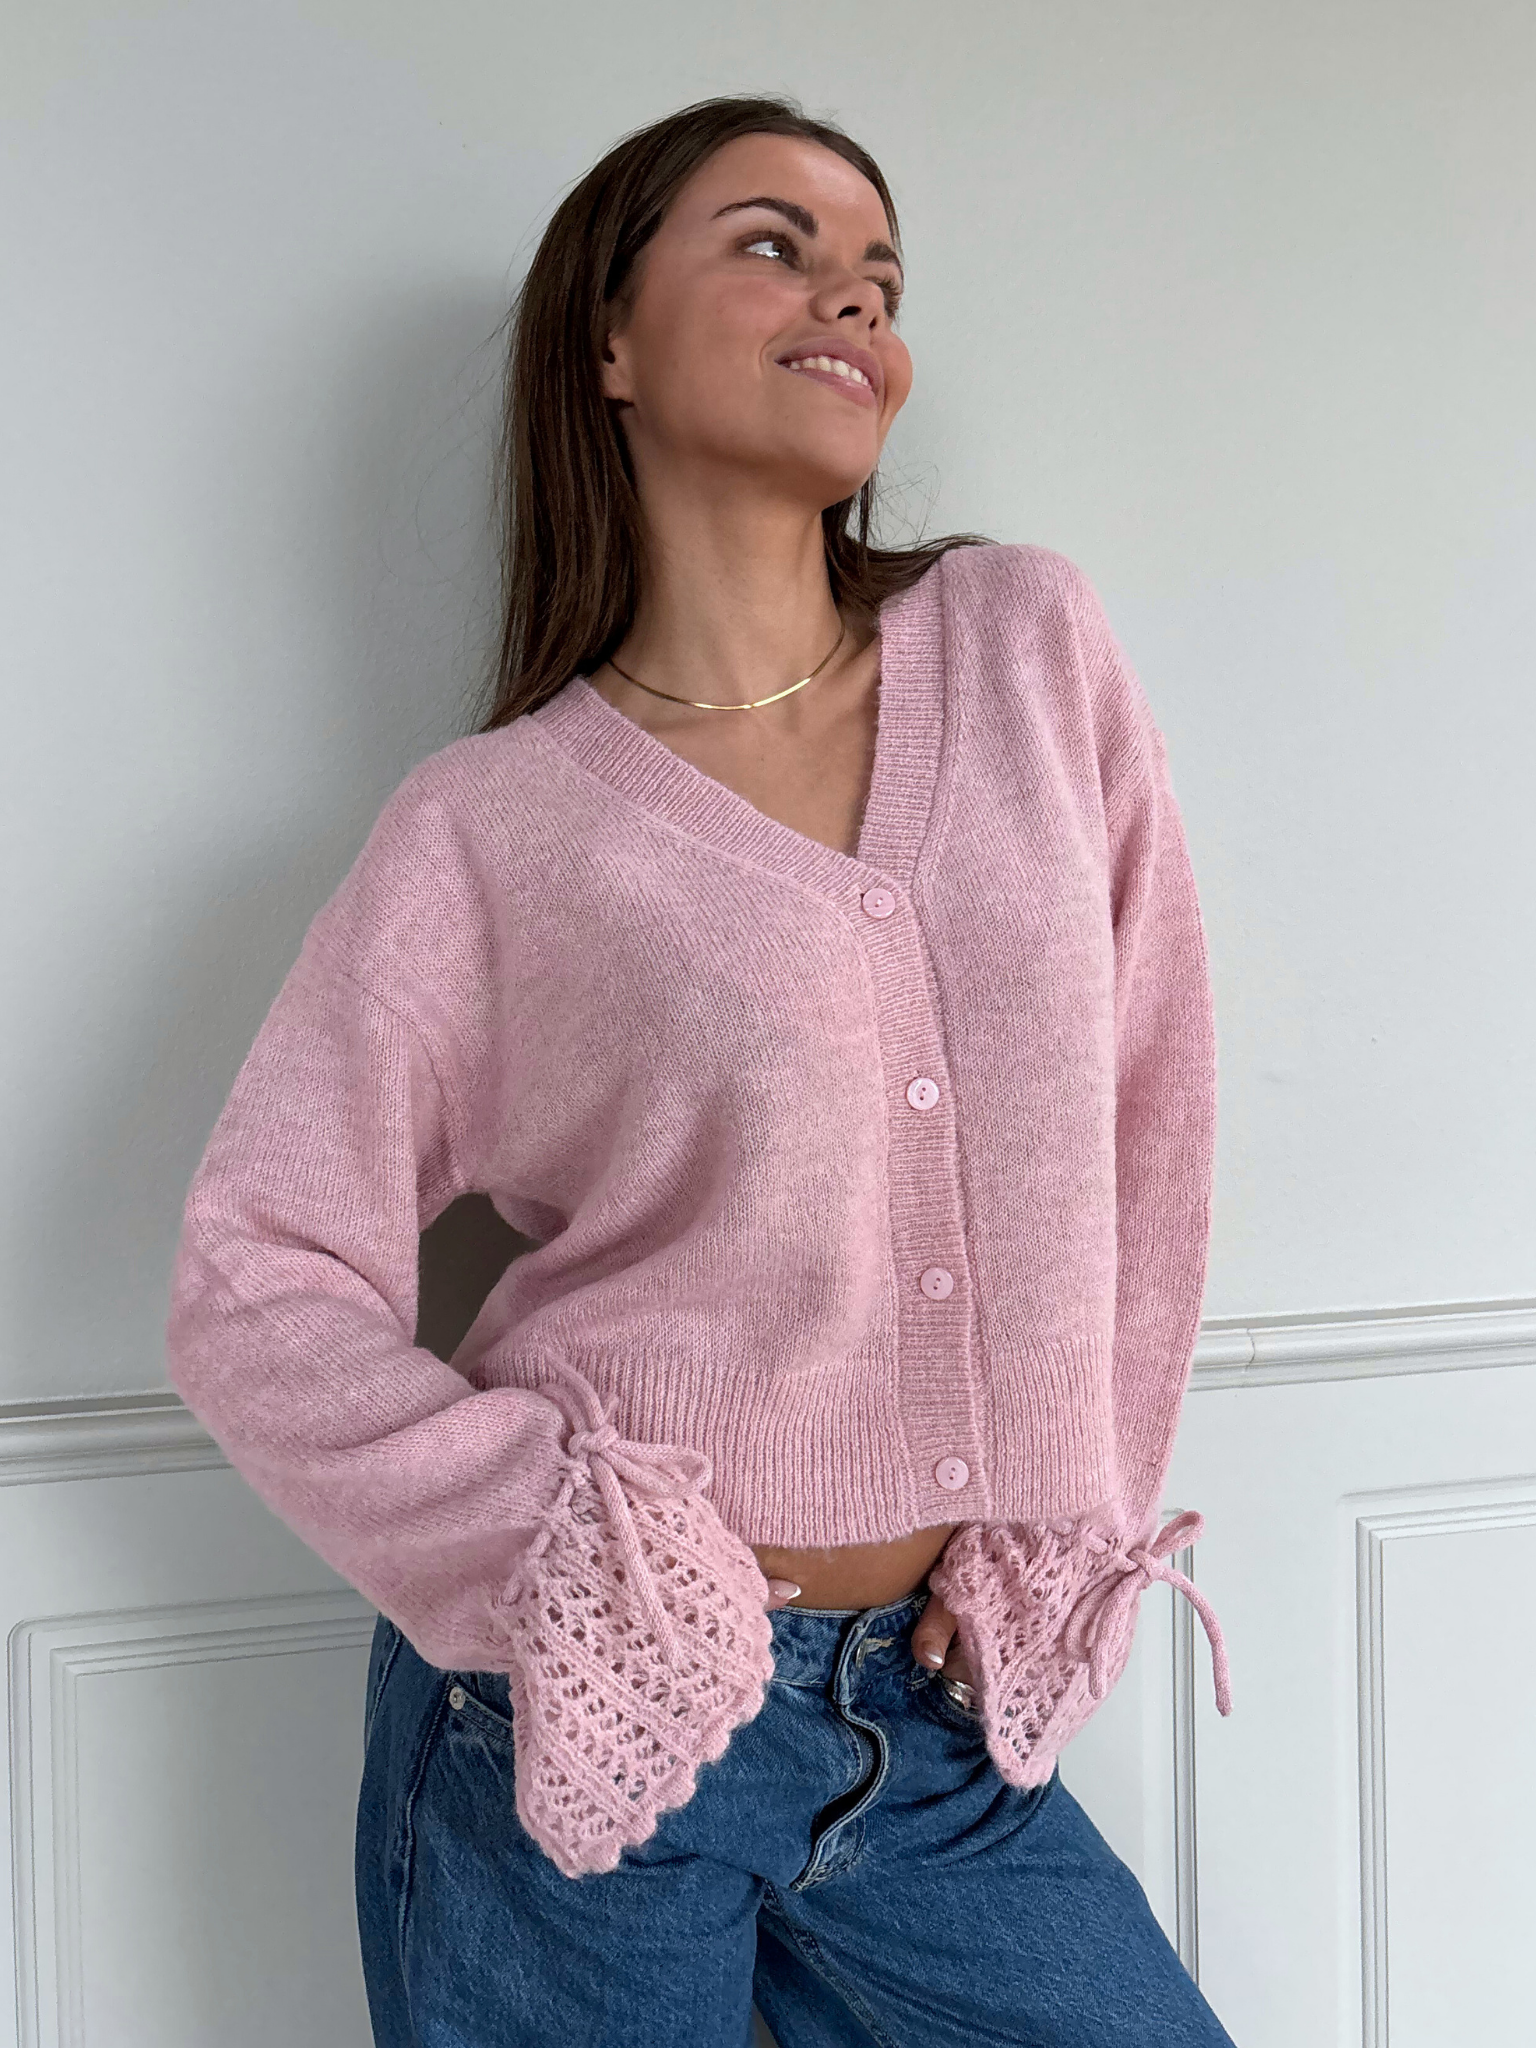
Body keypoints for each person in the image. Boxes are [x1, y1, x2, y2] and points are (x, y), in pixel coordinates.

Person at [165, 92, 1236, 2046]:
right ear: (610, 340)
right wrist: (557, 1548)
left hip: (942, 1732)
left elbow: (1148, 1117)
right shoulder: (490, 829)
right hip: (589, 1722)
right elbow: (254, 1275)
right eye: (774, 245)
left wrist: (1068, 1516)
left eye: (882, 275)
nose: (854, 299)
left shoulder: (1025, 645)